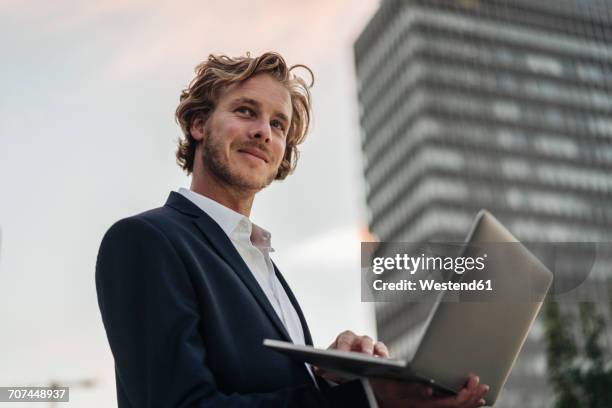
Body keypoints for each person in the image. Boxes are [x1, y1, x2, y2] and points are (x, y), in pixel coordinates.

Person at [95, 51, 489, 407]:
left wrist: (335, 377)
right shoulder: (146, 240)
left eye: (278, 124)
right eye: (246, 111)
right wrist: (366, 399)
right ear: (199, 124)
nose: (264, 131)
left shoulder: (261, 264)